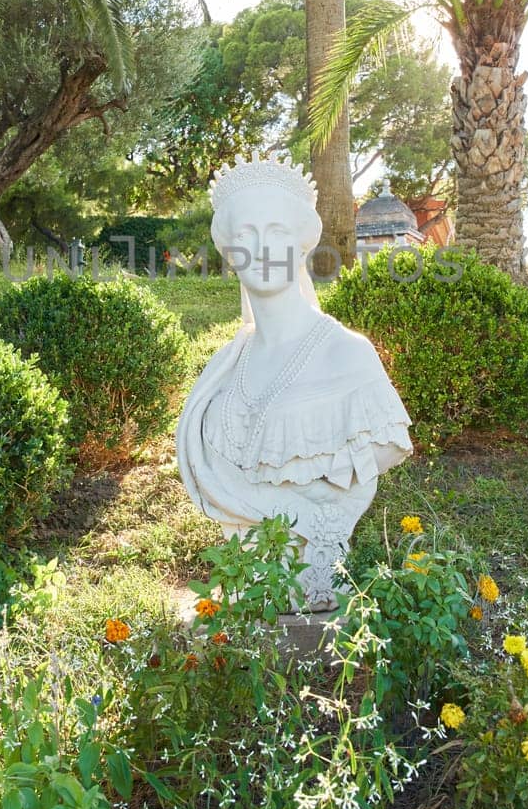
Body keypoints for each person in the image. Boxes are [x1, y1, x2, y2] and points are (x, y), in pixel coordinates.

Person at [176, 152, 412, 609]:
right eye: (246, 234)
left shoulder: (348, 355)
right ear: (229, 253)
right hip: (246, 586)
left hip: (318, 585)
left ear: (302, 245)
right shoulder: (222, 371)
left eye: (277, 231)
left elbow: (378, 455)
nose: (261, 248)